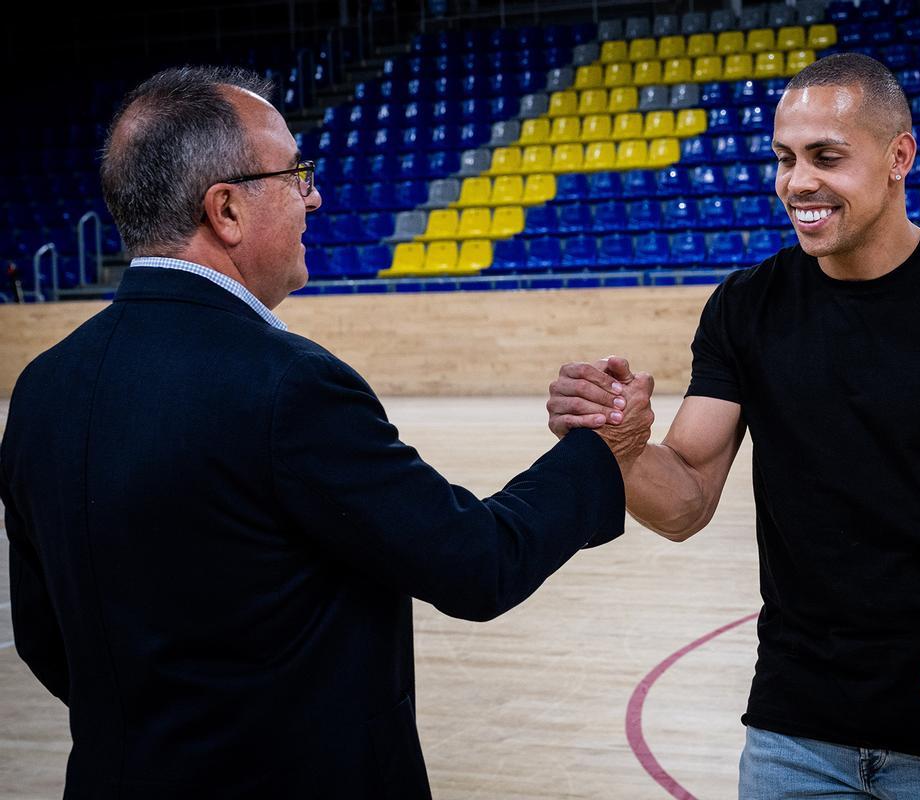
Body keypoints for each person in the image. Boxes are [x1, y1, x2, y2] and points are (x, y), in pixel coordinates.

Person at [0, 66, 652, 799]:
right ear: (227, 211)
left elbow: (44, 638)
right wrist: (601, 450)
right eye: (294, 174)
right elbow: (475, 563)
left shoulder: (42, 386)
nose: (313, 195)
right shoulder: (288, 385)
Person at [547, 54, 920, 799]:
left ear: (898, 157)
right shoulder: (745, 307)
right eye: (784, 159)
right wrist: (621, 450)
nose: (797, 183)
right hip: (794, 734)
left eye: (827, 156)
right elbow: (686, 497)